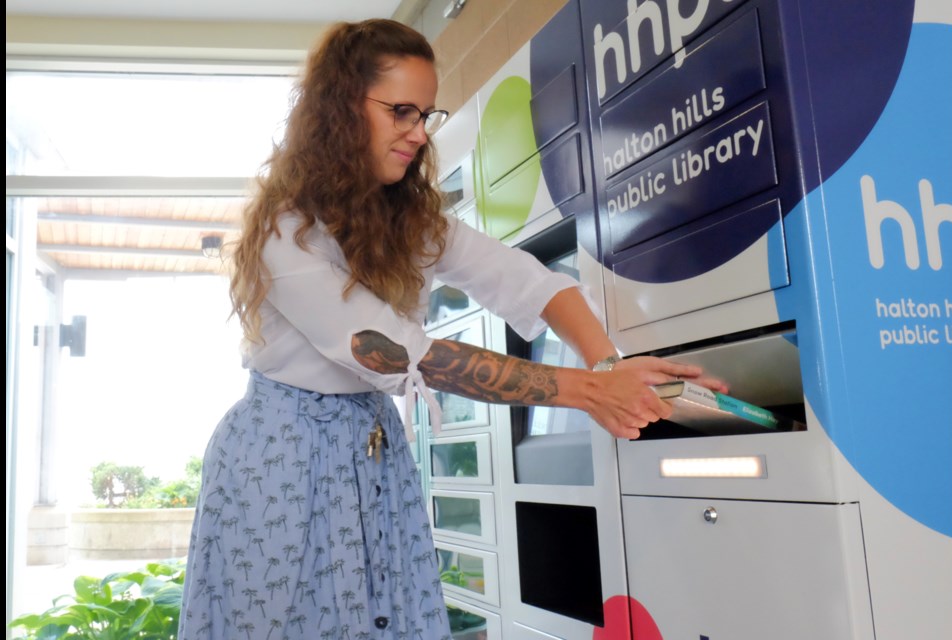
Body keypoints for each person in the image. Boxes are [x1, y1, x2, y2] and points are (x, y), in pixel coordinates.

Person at [178, 18, 726, 640]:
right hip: (283, 457)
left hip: (368, 445)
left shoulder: (407, 218)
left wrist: (607, 365)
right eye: (401, 111)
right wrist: (591, 393)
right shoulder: (287, 229)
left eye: (426, 115)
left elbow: (523, 278)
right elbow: (396, 355)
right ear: (338, 109)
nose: (417, 133)